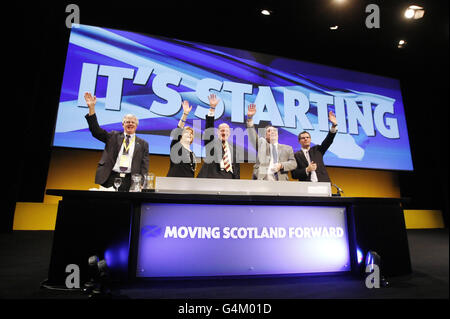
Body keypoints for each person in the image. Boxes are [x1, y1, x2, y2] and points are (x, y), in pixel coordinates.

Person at [84, 92, 149, 191]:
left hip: (130, 180)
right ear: (123, 124)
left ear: (136, 125)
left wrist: (143, 183)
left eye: (133, 122)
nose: (130, 124)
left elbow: (144, 166)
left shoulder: (143, 144)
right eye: (127, 121)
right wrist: (91, 108)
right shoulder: (113, 136)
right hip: (109, 177)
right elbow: (96, 131)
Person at [246, 103, 297, 180]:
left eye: (274, 131)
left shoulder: (287, 148)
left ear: (277, 135)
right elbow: (252, 136)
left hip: (280, 181)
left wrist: (281, 165)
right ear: (266, 136)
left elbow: (294, 163)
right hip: (262, 180)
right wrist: (250, 118)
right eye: (269, 131)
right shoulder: (261, 145)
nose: (272, 132)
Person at [197, 94, 240, 179]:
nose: (224, 133)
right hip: (212, 177)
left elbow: (237, 170)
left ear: (229, 133)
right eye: (222, 130)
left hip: (229, 178)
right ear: (217, 132)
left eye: (226, 130)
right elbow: (209, 128)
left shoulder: (234, 151)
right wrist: (212, 109)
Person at [291, 110, 337, 183]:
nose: (306, 139)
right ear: (299, 141)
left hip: (323, 184)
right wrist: (307, 169)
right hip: (306, 187)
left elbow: (328, 140)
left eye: (307, 137)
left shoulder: (318, 149)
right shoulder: (296, 155)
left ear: (310, 139)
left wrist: (334, 125)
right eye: (303, 138)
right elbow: (294, 174)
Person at [167, 100, 196, 177]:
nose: (190, 134)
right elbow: (179, 129)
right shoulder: (176, 147)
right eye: (186, 132)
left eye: (191, 133)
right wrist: (185, 114)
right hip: (174, 184)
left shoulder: (192, 154)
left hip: (188, 186)